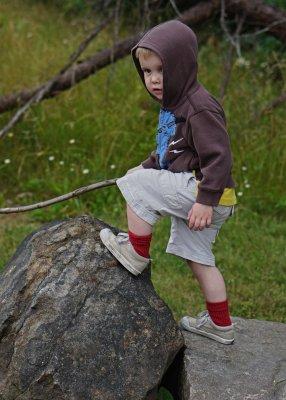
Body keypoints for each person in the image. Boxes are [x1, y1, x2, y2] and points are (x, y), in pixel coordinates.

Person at [100, 20, 237, 345]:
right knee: (199, 258)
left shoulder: (199, 106)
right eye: (147, 71)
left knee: (138, 189)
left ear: (183, 64)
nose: (154, 79)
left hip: (206, 191)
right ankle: (221, 325)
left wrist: (205, 200)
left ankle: (135, 251)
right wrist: (144, 167)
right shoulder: (176, 104)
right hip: (210, 194)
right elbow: (172, 151)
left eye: (161, 69)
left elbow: (219, 157)